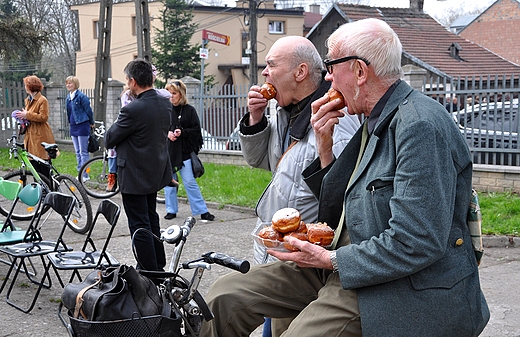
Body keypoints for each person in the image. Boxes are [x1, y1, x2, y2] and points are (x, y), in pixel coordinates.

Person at [200, 18, 490, 337]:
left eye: (330, 66)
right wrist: (325, 146)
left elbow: (417, 241)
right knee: (224, 297)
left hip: (396, 285)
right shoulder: (371, 118)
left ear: (359, 72)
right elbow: (337, 212)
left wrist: (331, 258)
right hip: (346, 263)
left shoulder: (418, 126)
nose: (327, 77)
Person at [239, 35, 360, 336]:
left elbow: (342, 194)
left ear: (300, 72)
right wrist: (255, 120)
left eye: (271, 65)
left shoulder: (334, 120)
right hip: (278, 248)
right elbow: (263, 162)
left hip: (305, 257)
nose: (264, 73)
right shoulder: (283, 112)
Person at [105, 59, 172, 271]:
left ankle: (147, 271)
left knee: (139, 225)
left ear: (133, 82)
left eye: (127, 79)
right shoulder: (165, 103)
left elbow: (110, 138)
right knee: (151, 218)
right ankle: (158, 264)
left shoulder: (133, 109)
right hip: (154, 171)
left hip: (134, 175)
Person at [163, 79, 215, 221]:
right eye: (169, 93)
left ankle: (202, 211)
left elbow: (196, 131)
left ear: (181, 94)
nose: (171, 96)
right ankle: (171, 210)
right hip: (168, 151)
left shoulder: (189, 110)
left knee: (189, 182)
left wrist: (182, 132)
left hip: (184, 151)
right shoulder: (164, 109)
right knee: (169, 182)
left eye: (174, 93)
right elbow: (156, 129)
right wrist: (167, 134)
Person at [14, 75, 56, 181]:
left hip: (40, 136)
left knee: (43, 166)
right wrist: (23, 117)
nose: (25, 87)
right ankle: (40, 192)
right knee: (34, 167)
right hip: (31, 136)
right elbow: (28, 115)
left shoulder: (42, 100)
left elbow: (44, 117)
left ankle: (49, 192)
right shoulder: (28, 100)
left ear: (31, 86)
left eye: (26, 85)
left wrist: (27, 114)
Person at [65, 76, 95, 180]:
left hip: (82, 125)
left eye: (70, 83)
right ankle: (80, 172)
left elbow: (88, 110)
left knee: (83, 152)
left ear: (75, 84)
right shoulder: (68, 98)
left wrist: (91, 122)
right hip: (73, 127)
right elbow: (69, 113)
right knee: (77, 152)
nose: (68, 85)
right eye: (67, 83)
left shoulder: (81, 96)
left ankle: (85, 175)